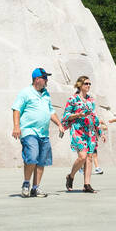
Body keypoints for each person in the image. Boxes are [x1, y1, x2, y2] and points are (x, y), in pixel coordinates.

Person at [11, 67, 63, 198]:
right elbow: (16, 109)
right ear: (37, 79)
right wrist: (16, 126)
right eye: (44, 78)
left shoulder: (46, 94)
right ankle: (26, 184)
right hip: (29, 131)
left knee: (41, 161)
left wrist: (59, 124)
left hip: (43, 133)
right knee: (32, 157)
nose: (47, 80)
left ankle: (35, 188)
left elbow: (50, 111)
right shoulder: (25, 92)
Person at [60, 75, 101, 193]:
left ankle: (87, 184)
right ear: (80, 85)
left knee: (89, 157)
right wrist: (78, 115)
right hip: (77, 130)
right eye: (86, 84)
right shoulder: (73, 99)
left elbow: (94, 116)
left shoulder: (91, 100)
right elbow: (66, 115)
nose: (88, 86)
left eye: (89, 84)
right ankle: (71, 176)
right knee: (82, 156)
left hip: (90, 131)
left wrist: (99, 131)